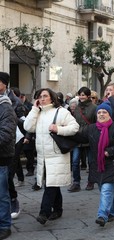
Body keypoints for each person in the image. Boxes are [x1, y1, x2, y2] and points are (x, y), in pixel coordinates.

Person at [24, 88, 79, 225]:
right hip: (43, 156)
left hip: (57, 155)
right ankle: (58, 209)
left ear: (52, 98)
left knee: (50, 184)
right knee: (52, 183)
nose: (42, 99)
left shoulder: (61, 112)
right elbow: (28, 126)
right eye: (39, 96)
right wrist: (34, 110)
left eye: (45, 96)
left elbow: (75, 127)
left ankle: (44, 212)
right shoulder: (38, 113)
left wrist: (58, 129)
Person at [75, 101, 114, 227]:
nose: (101, 114)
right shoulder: (91, 128)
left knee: (106, 189)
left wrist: (109, 152)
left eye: (104, 112)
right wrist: (60, 131)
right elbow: (79, 137)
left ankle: (102, 215)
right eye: (99, 112)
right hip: (98, 165)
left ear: (109, 114)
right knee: (104, 189)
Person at [0, 72, 25, 220]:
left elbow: (22, 121)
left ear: (4, 83)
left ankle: (13, 200)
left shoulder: (13, 101)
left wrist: (27, 137)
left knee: (8, 174)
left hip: (13, 140)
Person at [68, 87, 96, 192]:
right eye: (80, 94)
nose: (81, 97)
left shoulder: (94, 108)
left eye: (83, 95)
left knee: (91, 162)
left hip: (89, 137)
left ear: (88, 96)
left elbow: (96, 124)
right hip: (78, 138)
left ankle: (91, 181)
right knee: (75, 162)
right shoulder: (77, 108)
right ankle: (76, 182)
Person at [0, 94, 17, 240]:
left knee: (1, 195)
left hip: (1, 159)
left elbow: (6, 134)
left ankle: (5, 226)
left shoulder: (6, 108)